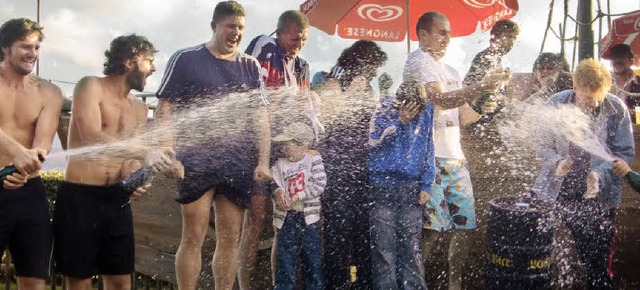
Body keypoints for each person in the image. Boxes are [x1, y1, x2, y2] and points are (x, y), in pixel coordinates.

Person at [154, 1, 271, 290]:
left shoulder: (250, 66)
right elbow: (165, 109)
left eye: (241, 28)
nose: (236, 33)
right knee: (192, 236)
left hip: (237, 162)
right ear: (214, 26)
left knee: (230, 238)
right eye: (230, 26)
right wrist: (169, 151)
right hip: (195, 158)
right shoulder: (185, 59)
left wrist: (263, 161)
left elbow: (261, 119)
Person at [54, 34, 178, 290]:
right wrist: (145, 152)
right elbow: (92, 139)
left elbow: (127, 159)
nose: (154, 68)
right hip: (80, 196)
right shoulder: (89, 86)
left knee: (121, 280)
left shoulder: (140, 109)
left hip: (117, 199)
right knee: (79, 280)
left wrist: (134, 178)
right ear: (129, 59)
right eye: (149, 61)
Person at [402, 11, 511, 289]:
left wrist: (489, 99)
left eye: (449, 33)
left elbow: (466, 117)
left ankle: (455, 283)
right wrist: (482, 85)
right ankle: (414, 283)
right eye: (442, 32)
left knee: (465, 225)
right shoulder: (418, 60)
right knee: (432, 230)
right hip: (429, 160)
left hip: (456, 160)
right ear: (422, 34)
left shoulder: (450, 71)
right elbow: (439, 99)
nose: (447, 38)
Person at [531, 59, 634, 289]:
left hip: (599, 196)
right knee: (539, 255)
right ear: (575, 87)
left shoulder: (617, 109)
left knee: (597, 263)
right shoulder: (555, 104)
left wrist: (598, 174)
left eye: (598, 100)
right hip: (556, 189)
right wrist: (557, 163)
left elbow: (623, 153)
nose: (593, 105)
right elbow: (542, 147)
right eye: (588, 99)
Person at [239, 10, 321, 289]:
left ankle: (279, 286)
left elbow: (305, 107)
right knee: (256, 219)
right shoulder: (265, 45)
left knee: (281, 224)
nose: (299, 44)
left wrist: (312, 123)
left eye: (304, 39)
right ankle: (245, 285)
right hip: (256, 147)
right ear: (280, 32)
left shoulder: (303, 66)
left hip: (286, 151)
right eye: (295, 38)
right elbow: (256, 97)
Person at [318, 39, 387, 290]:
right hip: (337, 170)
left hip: (361, 168)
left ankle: (363, 284)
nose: (374, 73)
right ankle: (336, 284)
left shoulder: (366, 84)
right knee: (338, 233)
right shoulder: (337, 76)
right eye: (372, 68)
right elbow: (324, 113)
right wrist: (350, 96)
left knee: (363, 233)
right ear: (361, 62)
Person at [0, 18, 62, 290]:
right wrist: (16, 153)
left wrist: (26, 167)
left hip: (28, 191)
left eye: (37, 47)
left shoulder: (49, 92)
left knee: (35, 278)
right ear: (4, 48)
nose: (33, 54)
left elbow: (42, 145)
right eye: (25, 46)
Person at [367, 80, 434, 290]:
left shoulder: (427, 110)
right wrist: (399, 122)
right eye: (410, 108)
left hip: (411, 188)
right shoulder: (385, 106)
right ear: (400, 102)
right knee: (384, 249)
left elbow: (428, 146)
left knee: (412, 249)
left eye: (418, 108)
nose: (415, 113)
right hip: (383, 187)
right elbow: (372, 140)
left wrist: (426, 184)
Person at [270, 122, 325, 290]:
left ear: (303, 145)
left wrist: (299, 196)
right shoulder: (279, 163)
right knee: (285, 260)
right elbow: (273, 183)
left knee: (312, 259)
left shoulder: (313, 158)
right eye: (283, 144)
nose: (284, 149)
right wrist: (278, 192)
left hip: (309, 220)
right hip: (287, 219)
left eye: (288, 144)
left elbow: (319, 184)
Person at [609, 44, 640, 123]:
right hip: (607, 132)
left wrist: (631, 112)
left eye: (621, 58)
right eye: (614, 58)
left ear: (631, 60)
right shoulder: (604, 83)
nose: (617, 61)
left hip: (635, 131)